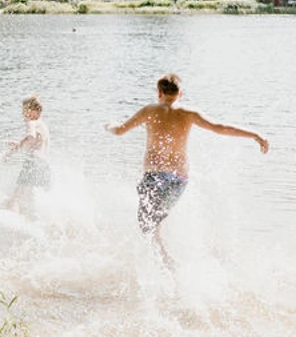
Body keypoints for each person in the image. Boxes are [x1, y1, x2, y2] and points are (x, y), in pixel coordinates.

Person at [106, 73, 269, 268]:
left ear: (159, 93)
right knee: (156, 223)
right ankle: (170, 264)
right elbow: (220, 127)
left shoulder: (149, 110)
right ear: (180, 94)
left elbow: (120, 130)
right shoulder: (189, 113)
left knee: (147, 226)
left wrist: (109, 126)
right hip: (179, 180)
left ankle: (166, 266)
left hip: (155, 177)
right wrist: (255, 135)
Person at [4, 95, 50, 214]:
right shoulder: (43, 125)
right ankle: (34, 219)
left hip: (33, 162)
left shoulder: (32, 123)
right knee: (31, 197)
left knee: (16, 197)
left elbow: (31, 137)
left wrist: (18, 145)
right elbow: (37, 142)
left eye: (25, 110)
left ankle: (10, 219)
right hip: (44, 165)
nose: (23, 114)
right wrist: (19, 143)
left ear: (34, 111)